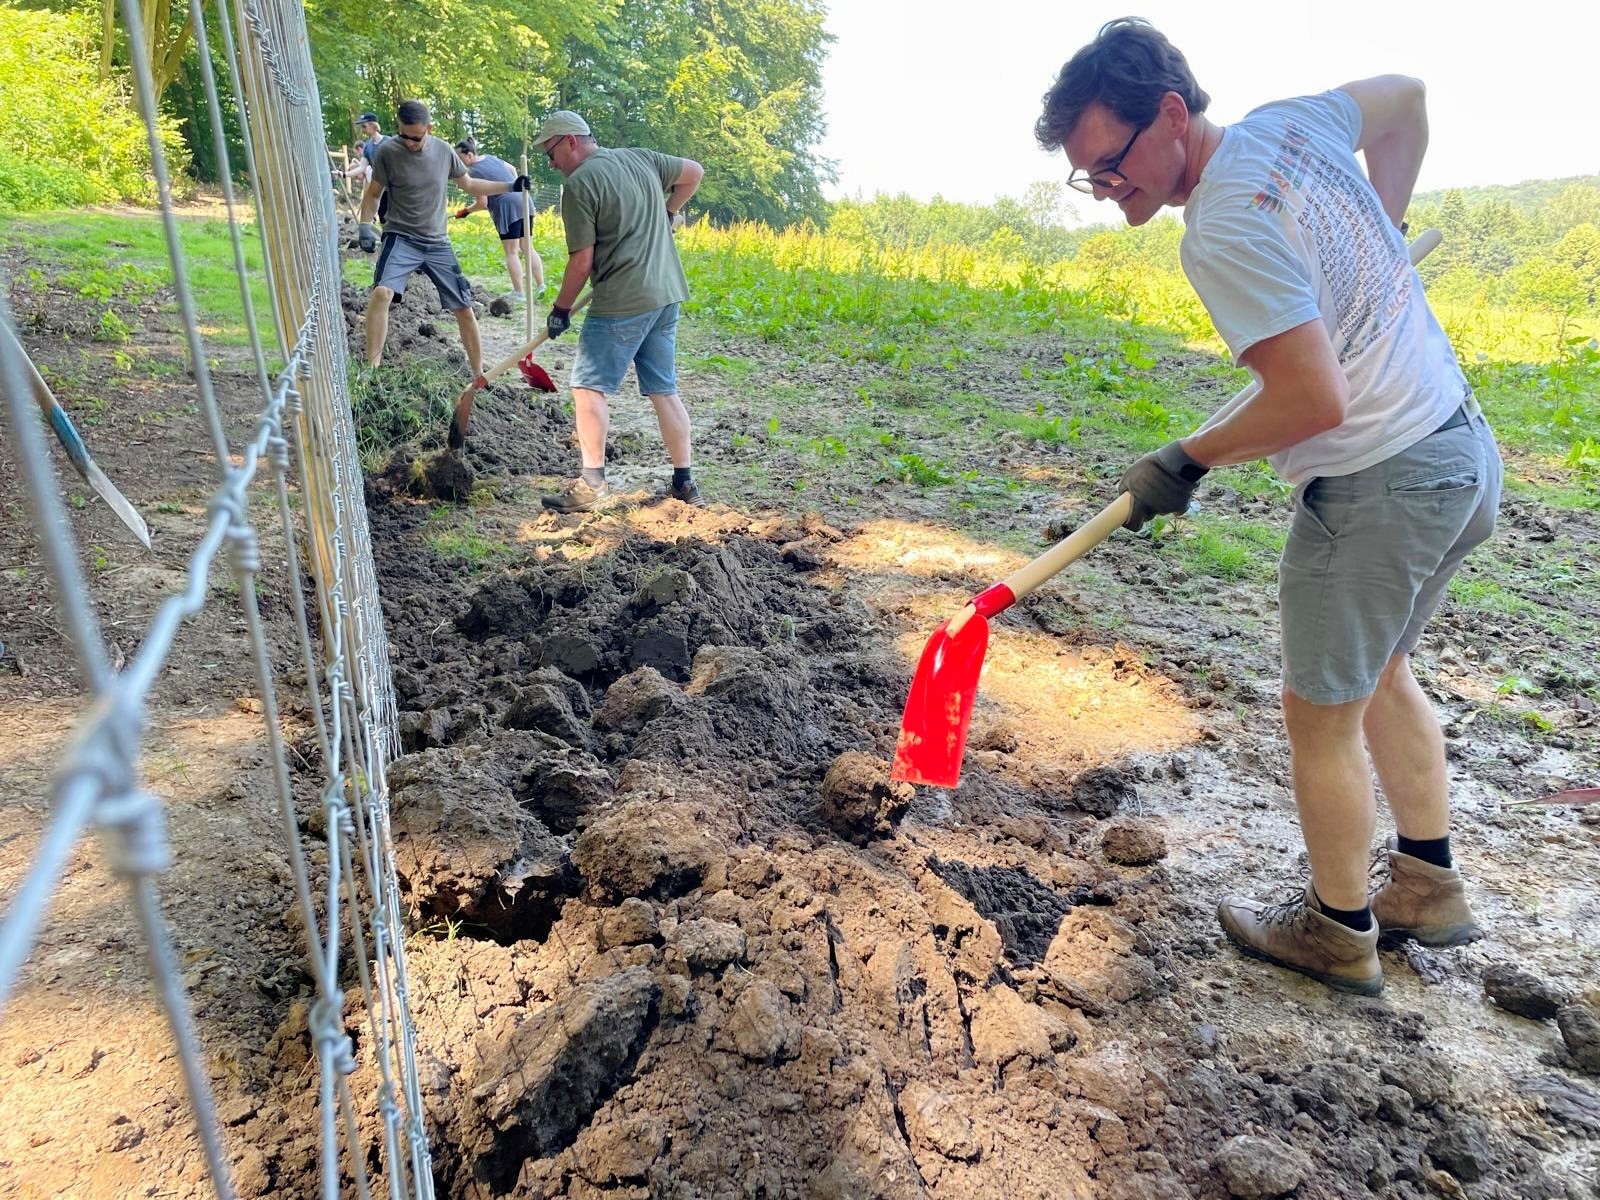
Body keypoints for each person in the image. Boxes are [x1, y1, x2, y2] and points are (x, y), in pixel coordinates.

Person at [1035, 20, 1501, 995]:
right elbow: (1407, 96)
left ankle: (1336, 932)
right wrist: (1382, 222)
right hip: (1458, 453)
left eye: (1110, 161)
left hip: (1379, 482)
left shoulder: (1225, 225)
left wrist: (1185, 460)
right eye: (1088, 175)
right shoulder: (1293, 126)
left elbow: (1311, 401)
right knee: (1381, 674)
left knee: (1318, 712)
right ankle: (1427, 885)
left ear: (1170, 112)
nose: (1105, 186)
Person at [531, 109, 705, 512]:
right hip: (666, 294)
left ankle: (592, 485)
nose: (551, 163)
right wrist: (670, 210)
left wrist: (561, 309)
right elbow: (693, 172)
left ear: (571, 141)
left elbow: (581, 262)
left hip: (622, 301)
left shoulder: (579, 186)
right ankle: (685, 481)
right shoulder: (640, 157)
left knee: (587, 387)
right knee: (664, 389)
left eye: (551, 152)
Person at [356, 100, 530, 378]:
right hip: (401, 237)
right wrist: (365, 225)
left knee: (463, 306)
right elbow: (374, 193)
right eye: (404, 135)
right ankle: (371, 371)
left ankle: (478, 374)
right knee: (381, 293)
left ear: (429, 129)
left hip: (437, 242)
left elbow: (470, 185)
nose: (409, 142)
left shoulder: (444, 151)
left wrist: (511, 185)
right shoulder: (388, 152)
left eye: (416, 137)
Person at [454, 137, 545, 305]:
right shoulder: (491, 158)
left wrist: (465, 211)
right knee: (528, 247)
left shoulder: (473, 173)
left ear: (469, 155)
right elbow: (510, 168)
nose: (459, 164)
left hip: (507, 207)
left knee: (512, 251)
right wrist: (516, 186)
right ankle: (541, 287)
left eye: (460, 159)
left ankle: (519, 293)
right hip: (524, 200)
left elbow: (483, 203)